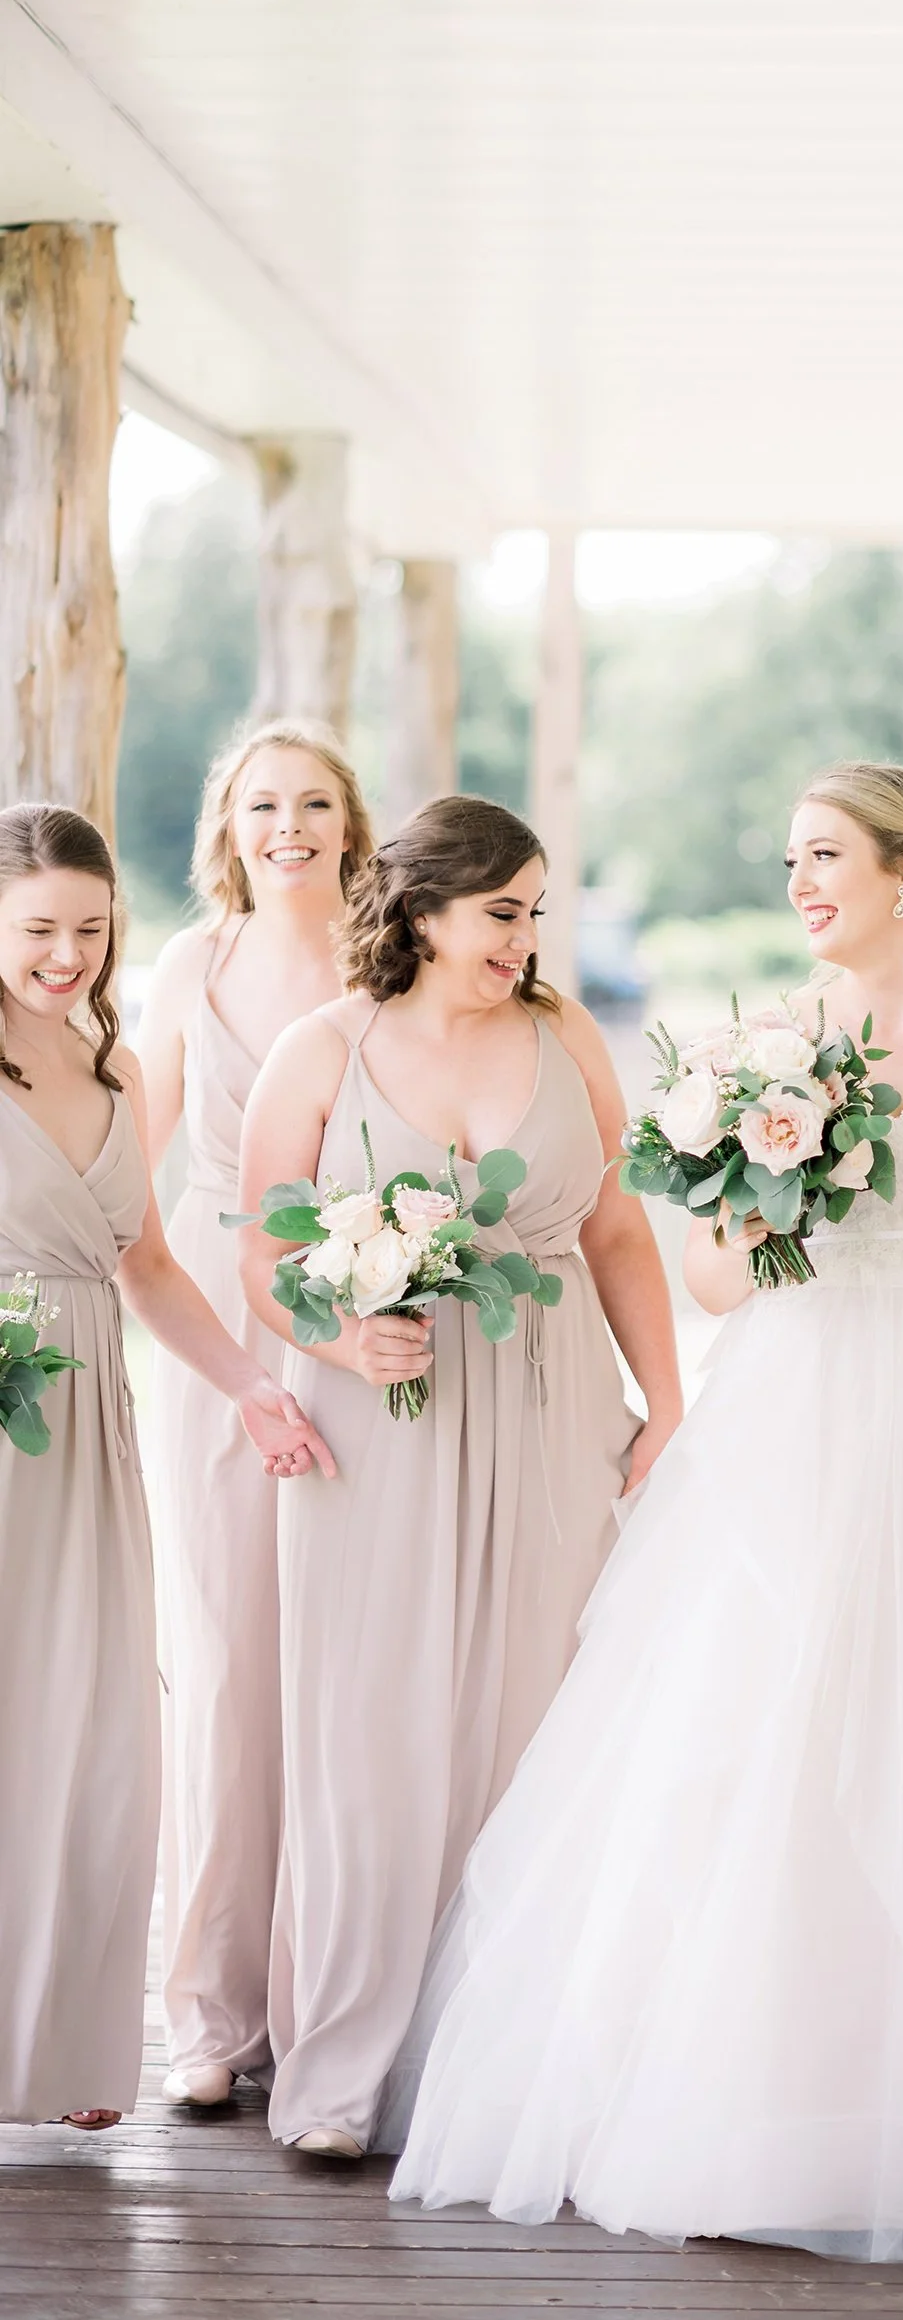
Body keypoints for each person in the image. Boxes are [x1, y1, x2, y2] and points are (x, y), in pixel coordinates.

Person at [386, 763, 903, 2260]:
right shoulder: (776, 1044)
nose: (800, 883)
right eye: (790, 857)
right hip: (807, 1404)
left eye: (825, 856)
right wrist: (754, 1205)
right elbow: (723, 1282)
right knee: (781, 1728)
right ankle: (776, 2094)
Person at [237, 794, 680, 2159]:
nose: (526, 938)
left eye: (537, 913)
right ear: (423, 910)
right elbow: (263, 1255)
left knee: (533, 1727)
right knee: (371, 1739)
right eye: (505, 912)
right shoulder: (322, 1050)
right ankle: (342, 2070)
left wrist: (666, 1404)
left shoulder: (565, 1035)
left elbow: (613, 1230)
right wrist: (339, 1332)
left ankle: (495, 2077)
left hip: (547, 1407)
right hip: (380, 1424)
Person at [0, 802, 328, 2132]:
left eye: (89, 928)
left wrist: (254, 1384)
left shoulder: (117, 1070)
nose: (66, 954)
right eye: (37, 930)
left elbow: (144, 1263)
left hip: (81, 1432)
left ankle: (55, 2052)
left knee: (88, 1736)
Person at [135, 720, 373, 2108]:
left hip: (356, 1306)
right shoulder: (188, 967)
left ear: (352, 822)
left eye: (314, 803)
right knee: (227, 1664)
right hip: (215, 1336)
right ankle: (210, 2013)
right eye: (261, 804)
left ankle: (334, 1990)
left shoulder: (388, 953)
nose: (288, 825)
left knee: (343, 1661)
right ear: (227, 828)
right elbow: (134, 1149)